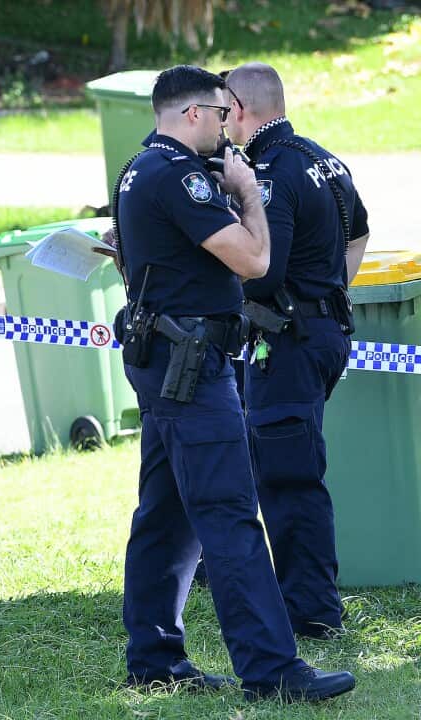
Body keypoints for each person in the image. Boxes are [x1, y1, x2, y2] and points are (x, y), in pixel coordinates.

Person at [112, 65, 355, 701]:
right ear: (193, 113)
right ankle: (273, 670)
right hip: (193, 366)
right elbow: (255, 261)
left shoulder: (138, 168)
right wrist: (247, 193)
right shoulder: (181, 175)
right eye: (222, 115)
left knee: (165, 515)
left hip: (164, 360)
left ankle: (154, 657)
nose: (229, 128)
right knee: (228, 516)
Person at [223, 62, 370, 640]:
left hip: (289, 343)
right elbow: (358, 232)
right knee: (293, 465)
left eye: (221, 108)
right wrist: (330, 295)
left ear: (238, 108)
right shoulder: (320, 156)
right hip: (323, 333)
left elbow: (262, 270)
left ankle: (310, 612)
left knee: (288, 478)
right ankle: (304, 599)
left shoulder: (267, 172)